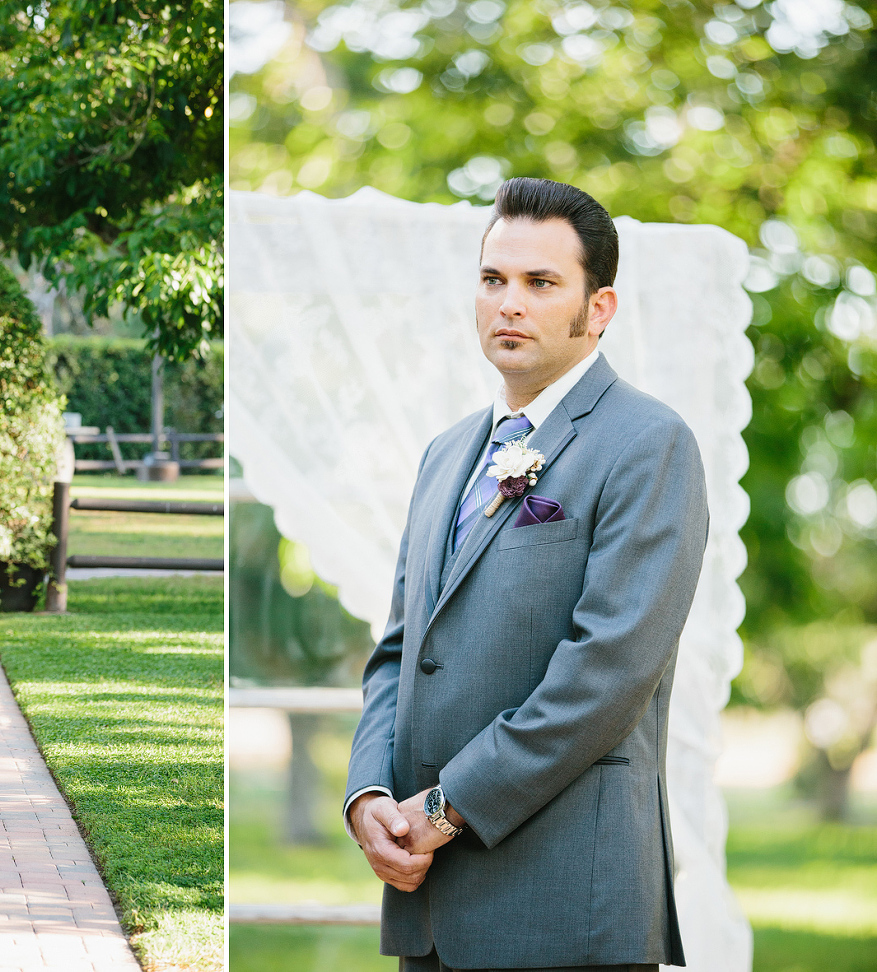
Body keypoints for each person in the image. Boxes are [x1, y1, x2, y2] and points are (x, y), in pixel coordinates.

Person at [343, 178, 709, 972]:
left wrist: (443, 809)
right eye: (492, 279)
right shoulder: (446, 454)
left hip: (564, 909)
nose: (508, 302)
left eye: (541, 283)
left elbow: (606, 673)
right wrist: (368, 797)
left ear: (598, 309)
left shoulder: (649, 443)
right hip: (429, 905)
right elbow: (399, 651)